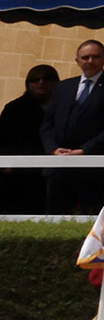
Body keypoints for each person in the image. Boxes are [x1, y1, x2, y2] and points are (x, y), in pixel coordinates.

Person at [41, 42, 104, 217]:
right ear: (77, 61)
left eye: (95, 57)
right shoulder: (63, 87)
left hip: (94, 168)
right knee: (54, 217)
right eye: (85, 57)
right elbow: (47, 123)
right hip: (60, 165)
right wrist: (53, 149)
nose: (90, 61)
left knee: (94, 217)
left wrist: (85, 150)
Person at [0, 67, 56, 214]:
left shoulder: (64, 107)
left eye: (47, 79)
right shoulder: (15, 108)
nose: (41, 83)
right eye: (35, 80)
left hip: (54, 169)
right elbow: (3, 138)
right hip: (21, 172)